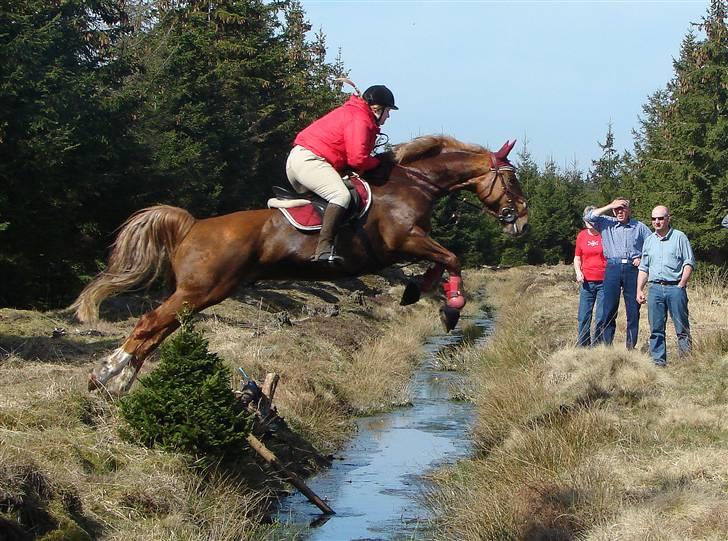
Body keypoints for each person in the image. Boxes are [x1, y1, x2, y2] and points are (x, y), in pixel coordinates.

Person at [286, 84, 397, 264]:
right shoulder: (360, 119)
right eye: (388, 111)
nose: (389, 116)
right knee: (341, 195)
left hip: (304, 160)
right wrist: (380, 162)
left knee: (349, 191)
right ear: (378, 109)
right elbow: (358, 160)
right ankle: (323, 248)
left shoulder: (356, 114)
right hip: (309, 161)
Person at [585, 198, 651, 348]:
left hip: (632, 269)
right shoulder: (606, 222)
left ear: (629, 210)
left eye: (623, 208)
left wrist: (642, 257)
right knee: (609, 309)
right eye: (617, 209)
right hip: (612, 268)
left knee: (633, 310)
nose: (619, 212)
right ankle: (607, 346)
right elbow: (588, 216)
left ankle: (630, 346)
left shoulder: (639, 227)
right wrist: (610, 206)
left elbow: (651, 244)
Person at [636, 206, 695, 366]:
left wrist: (681, 284)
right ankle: (658, 361)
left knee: (681, 328)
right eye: (654, 219)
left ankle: (687, 362)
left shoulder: (679, 237)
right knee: (656, 329)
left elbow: (688, 262)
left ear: (668, 218)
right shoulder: (649, 241)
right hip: (655, 289)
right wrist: (639, 289)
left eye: (660, 218)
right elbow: (644, 268)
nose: (657, 222)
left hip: (675, 288)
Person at [573, 206, 607, 347]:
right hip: (586, 282)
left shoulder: (605, 234)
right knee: (584, 317)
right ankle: (583, 345)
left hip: (604, 282)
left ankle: (597, 346)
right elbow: (577, 258)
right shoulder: (581, 236)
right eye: (587, 219)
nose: (590, 222)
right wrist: (578, 272)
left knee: (601, 317)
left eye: (593, 219)